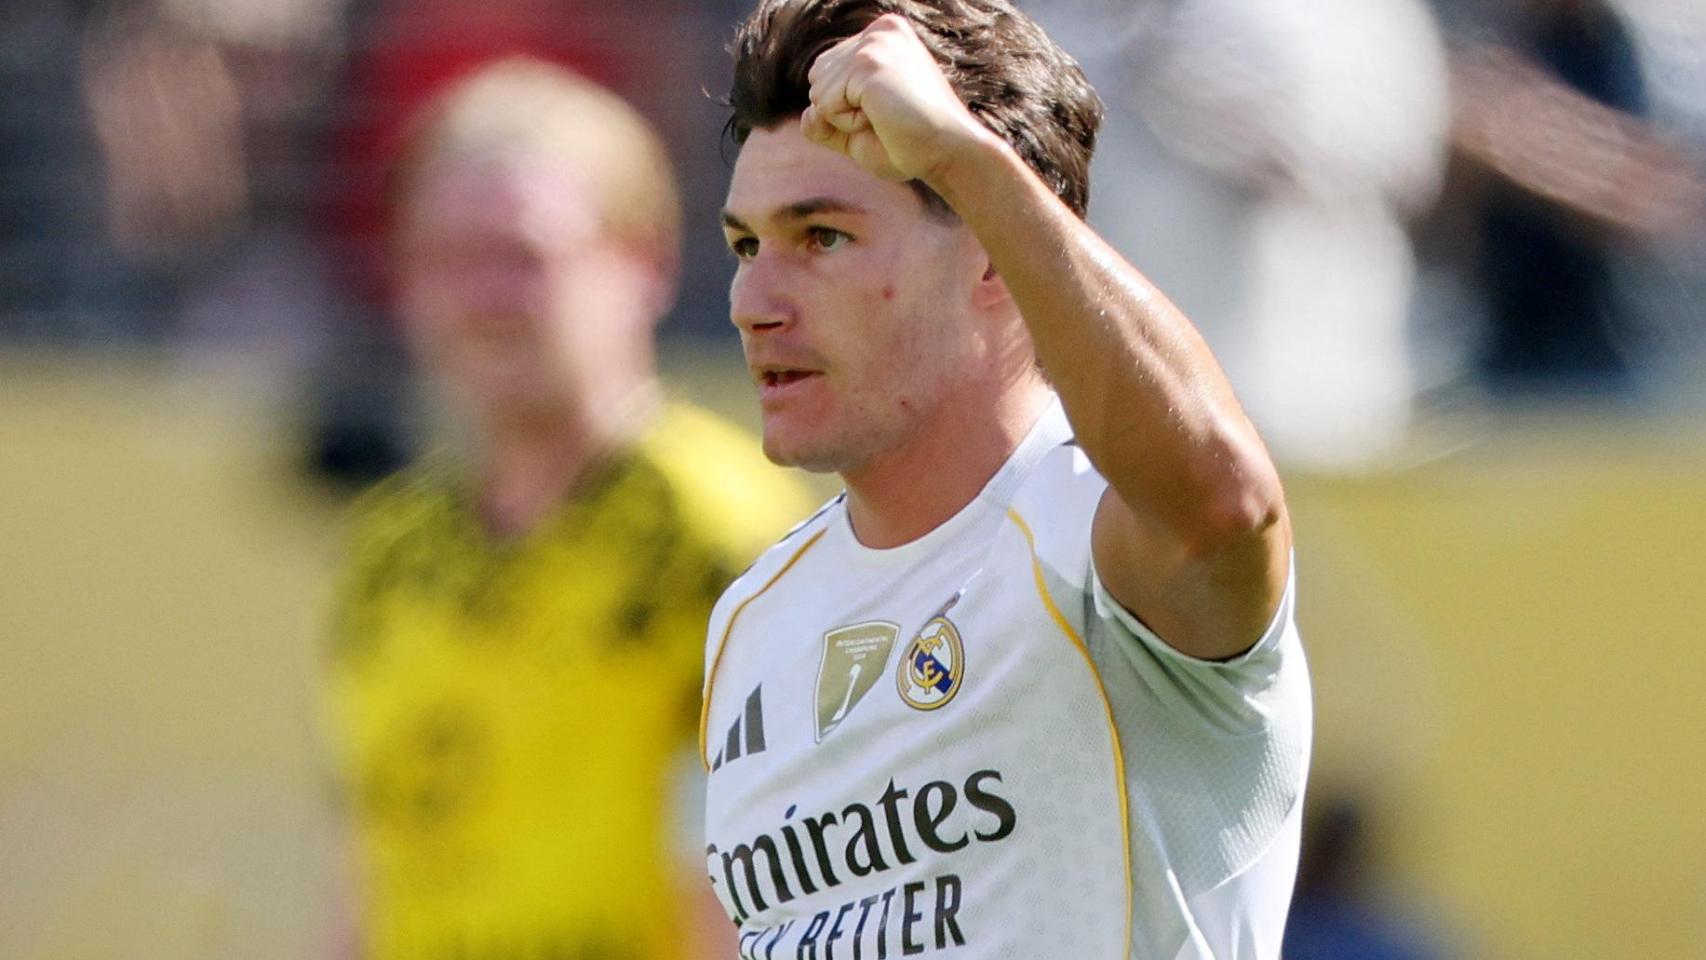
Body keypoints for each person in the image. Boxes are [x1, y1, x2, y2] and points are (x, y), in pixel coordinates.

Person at [698, 2, 1310, 958]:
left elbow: (1228, 507)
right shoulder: (751, 621)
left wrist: (961, 154)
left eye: (821, 237)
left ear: (993, 255)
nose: (753, 304)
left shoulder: (1094, 537)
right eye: (746, 247)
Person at [322, 58, 808, 960]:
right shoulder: (387, 554)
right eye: (448, 259)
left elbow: (761, 893)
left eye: (523, 256)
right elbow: (368, 876)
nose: (484, 300)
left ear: (645, 260)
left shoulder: (729, 538)